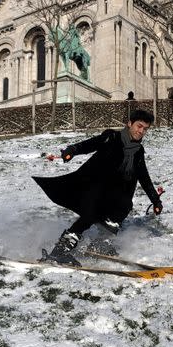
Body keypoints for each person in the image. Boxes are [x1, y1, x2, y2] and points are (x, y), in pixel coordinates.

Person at [34, 109, 164, 265]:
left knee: (124, 206)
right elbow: (90, 144)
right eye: (139, 126)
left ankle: (99, 245)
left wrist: (156, 201)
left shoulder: (138, 151)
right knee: (90, 216)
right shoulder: (112, 137)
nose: (141, 131)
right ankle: (60, 251)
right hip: (92, 185)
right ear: (129, 123)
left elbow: (144, 177)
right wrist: (72, 151)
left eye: (145, 129)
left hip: (114, 194)